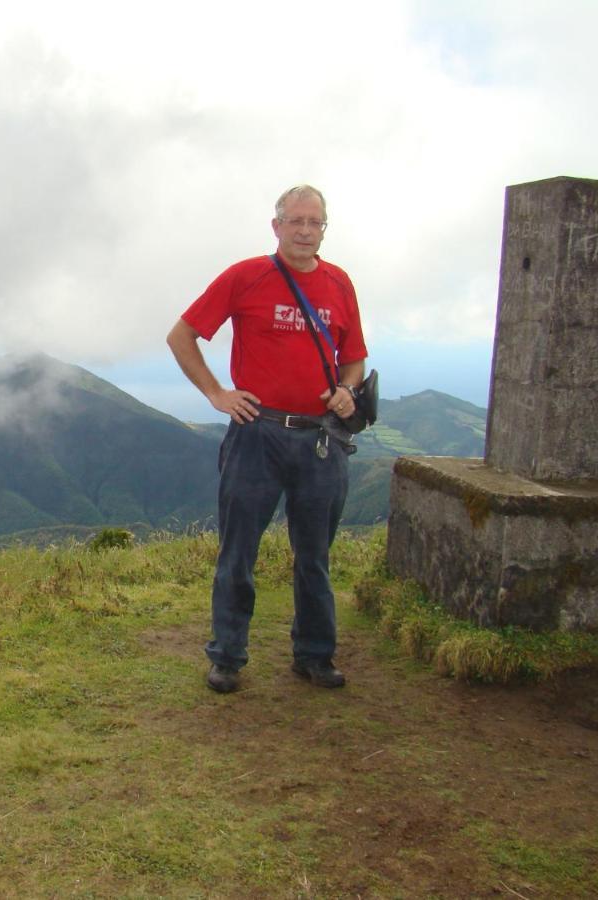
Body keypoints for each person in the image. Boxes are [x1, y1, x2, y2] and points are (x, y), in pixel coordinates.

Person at [166, 184, 368, 694]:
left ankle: (315, 655)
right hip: (257, 434)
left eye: (314, 223)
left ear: (325, 228)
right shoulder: (246, 276)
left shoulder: (340, 284)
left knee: (315, 555)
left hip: (320, 438)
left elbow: (354, 358)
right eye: (295, 221)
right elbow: (182, 335)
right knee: (239, 551)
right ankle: (227, 656)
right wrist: (216, 393)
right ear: (276, 226)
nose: (304, 231)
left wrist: (347, 391)